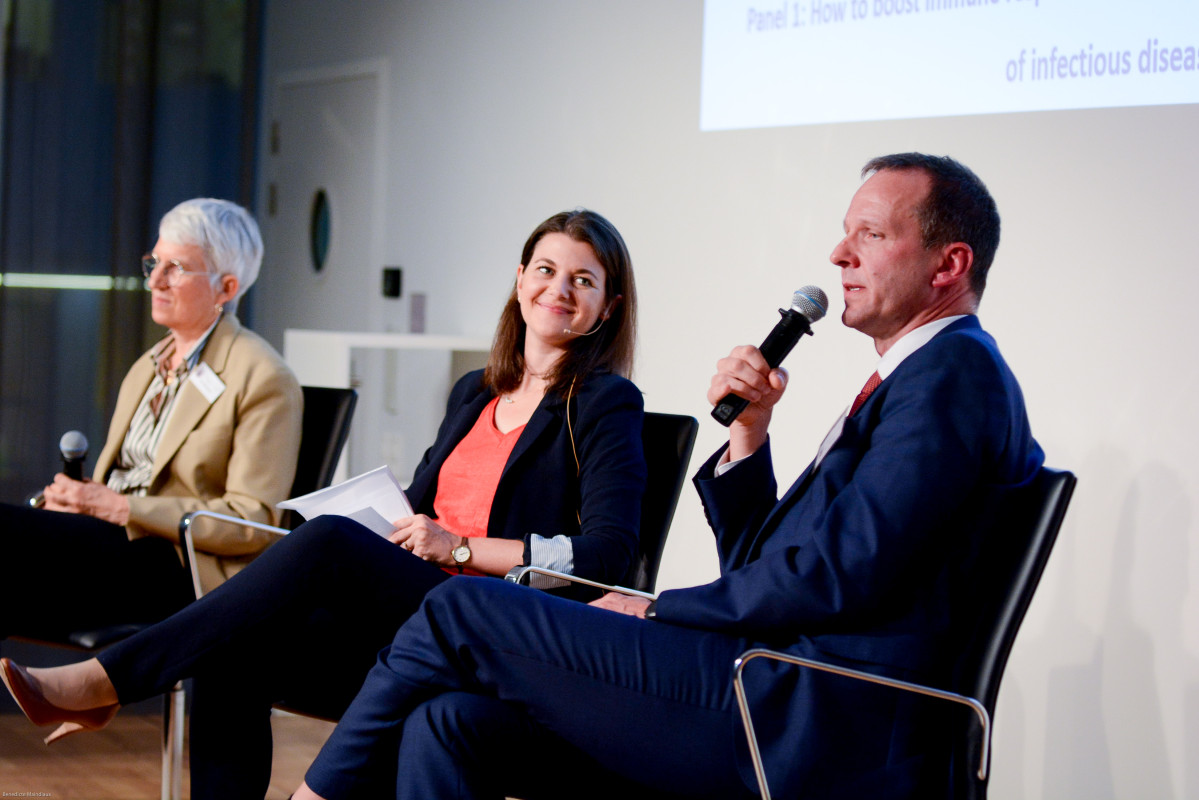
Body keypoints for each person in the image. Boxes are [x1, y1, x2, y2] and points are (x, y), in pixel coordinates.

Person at [284, 153, 1046, 800]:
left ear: (948, 265)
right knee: (444, 721)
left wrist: (657, 611)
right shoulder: (913, 380)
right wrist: (750, 435)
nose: (838, 255)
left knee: (461, 610)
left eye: (870, 235)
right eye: (845, 234)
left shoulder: (950, 378)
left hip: (809, 713)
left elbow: (836, 578)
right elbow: (771, 565)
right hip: (772, 682)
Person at [0, 208, 646, 800]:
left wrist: (464, 548)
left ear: (608, 307)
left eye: (582, 280)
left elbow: (607, 554)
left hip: (494, 618)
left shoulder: (603, 402)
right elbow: (413, 511)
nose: (558, 289)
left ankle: (106, 682)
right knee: (241, 637)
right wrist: (396, 523)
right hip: (420, 605)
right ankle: (112, 689)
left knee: (332, 541)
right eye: (545, 269)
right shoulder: (475, 392)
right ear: (518, 280)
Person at [0, 197, 302, 640]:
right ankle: (87, 697)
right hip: (110, 547)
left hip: (176, 566)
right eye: (153, 263)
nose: (155, 281)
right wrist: (78, 501)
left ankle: (88, 697)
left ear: (227, 288)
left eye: (176, 268)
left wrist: (121, 507)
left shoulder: (263, 376)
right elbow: (123, 477)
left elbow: (250, 521)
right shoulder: (150, 364)